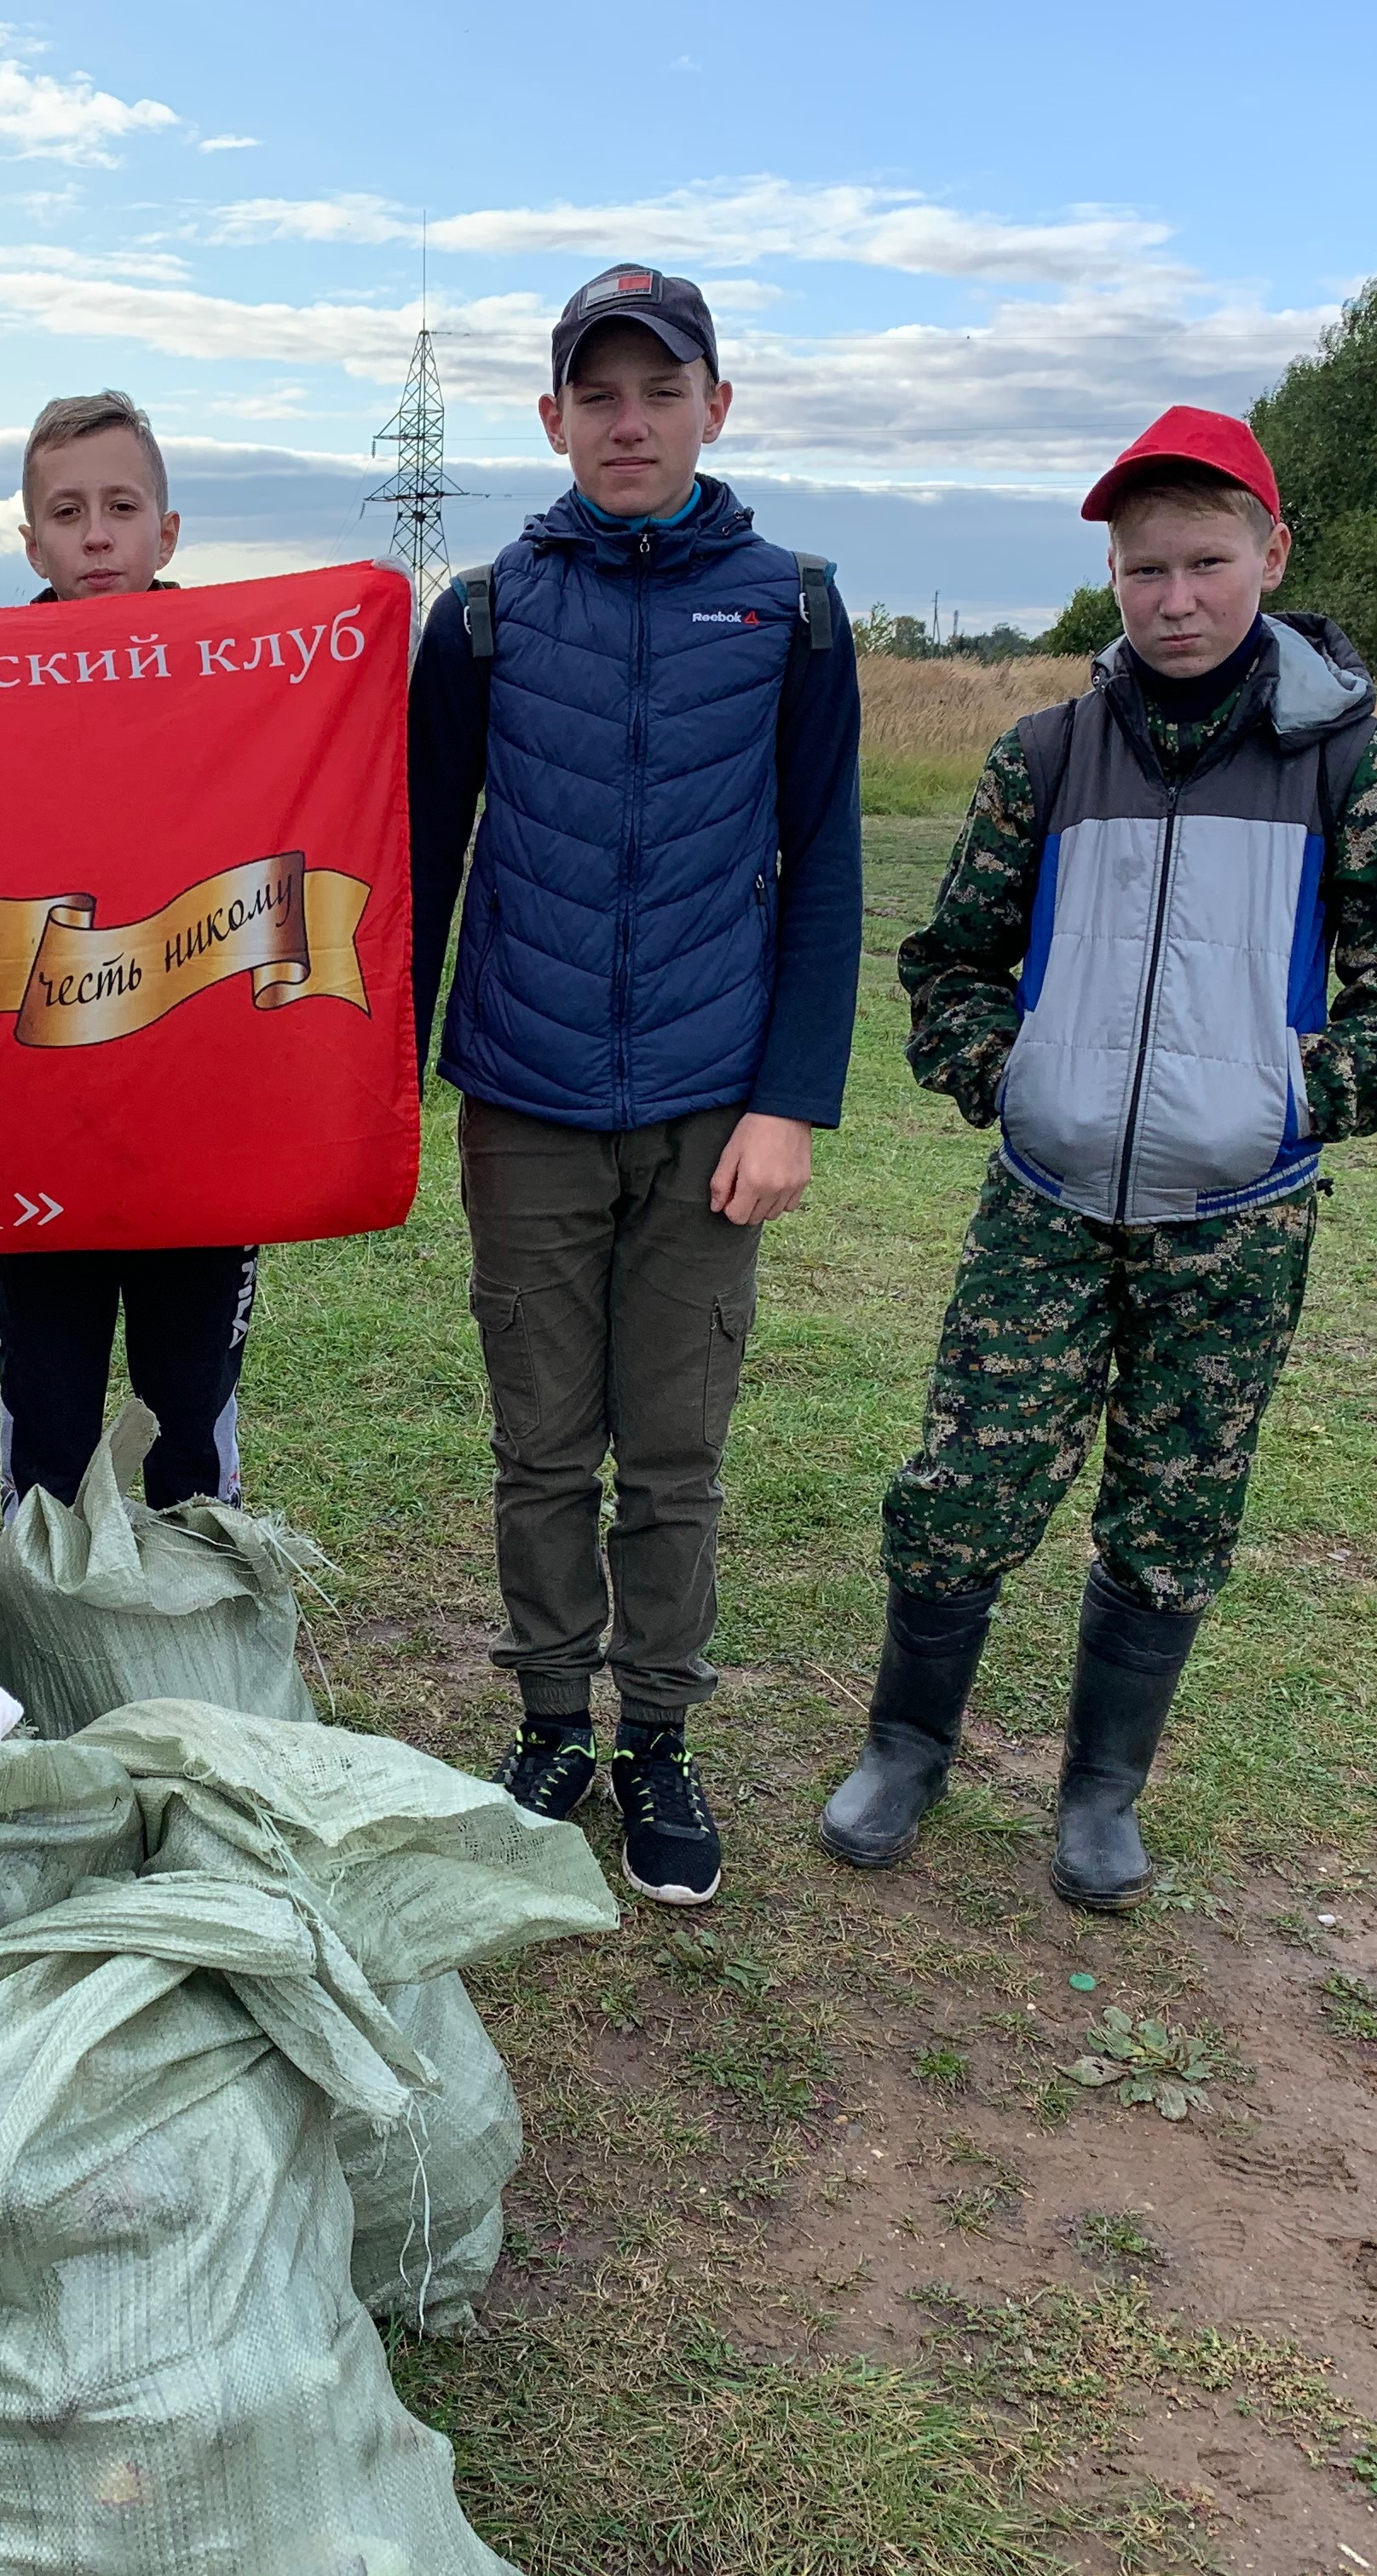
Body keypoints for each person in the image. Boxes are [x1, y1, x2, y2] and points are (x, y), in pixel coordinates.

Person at [819, 406, 1377, 1912]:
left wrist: (1301, 1094)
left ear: (1270, 554)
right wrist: (1005, 1071)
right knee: (962, 1486)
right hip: (1045, 1204)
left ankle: (1102, 1791)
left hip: (1236, 1220)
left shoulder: (1347, 768)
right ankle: (906, 1748)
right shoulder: (1046, 756)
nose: (1173, 599)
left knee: (1177, 1508)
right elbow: (954, 956)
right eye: (1140, 570)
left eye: (1204, 562)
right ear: (1110, 579)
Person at [408, 265, 866, 1909]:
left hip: (705, 1103)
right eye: (596, 395)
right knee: (542, 1446)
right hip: (524, 1095)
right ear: (551, 420)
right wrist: (371, 1081)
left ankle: (657, 1740)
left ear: (714, 409)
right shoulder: (479, 614)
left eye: (659, 392)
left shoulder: (795, 607)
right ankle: (548, 1724)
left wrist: (789, 1099)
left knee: (672, 1455)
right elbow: (418, 862)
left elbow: (822, 871)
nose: (629, 421)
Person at [0, 389, 260, 1512]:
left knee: (188, 1426)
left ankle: (199, 1638)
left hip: (200, 1128)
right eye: (67, 511)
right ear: (32, 539)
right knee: (46, 1427)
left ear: (167, 531)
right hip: (40, 1123)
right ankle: (44, 1649)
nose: (96, 535)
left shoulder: (251, 683)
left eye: (120, 506)